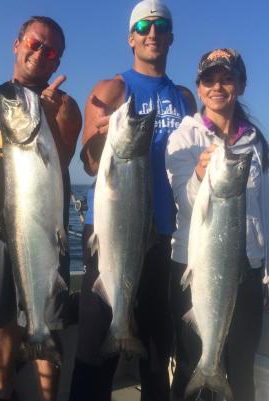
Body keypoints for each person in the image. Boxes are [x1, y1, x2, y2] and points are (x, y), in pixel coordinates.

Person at [69, 1, 196, 400]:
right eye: (143, 26)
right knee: (93, 361)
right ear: (131, 37)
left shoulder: (184, 98)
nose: (152, 32)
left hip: (164, 241)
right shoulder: (110, 89)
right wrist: (101, 138)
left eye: (161, 26)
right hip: (111, 233)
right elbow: (90, 165)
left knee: (158, 362)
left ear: (172, 37)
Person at [0, 16, 82, 401]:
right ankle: (3, 392)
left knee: (48, 318)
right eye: (35, 43)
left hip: (40, 224)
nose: (40, 53)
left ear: (57, 63)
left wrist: (53, 120)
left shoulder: (64, 105)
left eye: (50, 51)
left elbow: (66, 158)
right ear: (17, 43)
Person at [166, 48, 269, 401]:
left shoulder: (257, 143)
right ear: (198, 88)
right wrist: (197, 176)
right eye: (209, 80)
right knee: (191, 362)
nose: (218, 87)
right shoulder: (184, 137)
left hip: (248, 270)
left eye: (226, 78)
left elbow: (265, 206)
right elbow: (183, 202)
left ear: (240, 85)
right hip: (195, 269)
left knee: (241, 369)